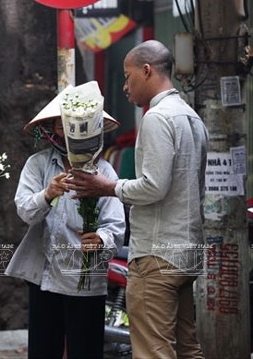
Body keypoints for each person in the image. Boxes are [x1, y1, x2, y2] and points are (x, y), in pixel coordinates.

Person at [66, 40, 208, 359]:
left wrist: (108, 187)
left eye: (128, 76)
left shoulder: (157, 118)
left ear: (147, 71)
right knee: (187, 348)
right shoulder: (192, 117)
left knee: (153, 351)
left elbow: (154, 187)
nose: (125, 86)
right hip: (186, 253)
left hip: (157, 255)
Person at [5, 84, 125, 359]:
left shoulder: (104, 172)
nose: (69, 133)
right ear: (52, 130)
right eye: (62, 126)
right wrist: (47, 194)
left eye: (76, 126)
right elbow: (24, 211)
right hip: (43, 279)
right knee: (43, 350)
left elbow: (115, 227)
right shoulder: (38, 165)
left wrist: (101, 240)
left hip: (86, 283)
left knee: (86, 350)